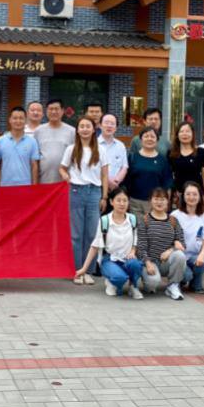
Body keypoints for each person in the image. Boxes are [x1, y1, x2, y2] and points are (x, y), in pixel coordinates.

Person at [74, 188, 143, 298]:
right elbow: (95, 246)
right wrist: (84, 269)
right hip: (110, 259)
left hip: (128, 258)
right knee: (119, 278)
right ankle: (113, 282)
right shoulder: (105, 220)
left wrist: (133, 250)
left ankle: (133, 286)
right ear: (111, 202)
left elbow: (136, 237)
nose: (122, 204)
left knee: (136, 265)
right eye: (118, 200)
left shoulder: (132, 219)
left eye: (125, 200)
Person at [60, 116, 108, 276]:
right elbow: (62, 167)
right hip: (76, 192)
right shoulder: (71, 149)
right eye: (82, 126)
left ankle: (88, 271)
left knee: (92, 233)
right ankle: (76, 270)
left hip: (94, 192)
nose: (85, 129)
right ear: (77, 130)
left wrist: (104, 197)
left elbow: (104, 175)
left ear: (94, 130)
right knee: (76, 234)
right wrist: (65, 175)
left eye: (88, 126)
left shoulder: (101, 150)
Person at [138, 187, 186, 299]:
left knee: (179, 255)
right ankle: (148, 282)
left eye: (162, 199)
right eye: (156, 199)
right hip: (150, 262)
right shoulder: (144, 220)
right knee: (152, 284)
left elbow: (182, 243)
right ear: (150, 201)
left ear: (167, 201)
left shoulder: (173, 220)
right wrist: (148, 263)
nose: (159, 202)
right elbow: (141, 246)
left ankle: (173, 286)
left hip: (166, 262)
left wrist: (171, 250)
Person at [124, 127, 173, 223]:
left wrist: (166, 202)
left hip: (156, 203)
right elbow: (126, 181)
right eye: (146, 136)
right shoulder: (133, 157)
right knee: (137, 229)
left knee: (155, 229)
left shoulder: (162, 160)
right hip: (135, 203)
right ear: (141, 139)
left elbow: (167, 183)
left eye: (152, 136)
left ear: (157, 140)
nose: (149, 139)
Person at [171, 181, 204, 294]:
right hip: (179, 257)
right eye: (188, 194)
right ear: (183, 196)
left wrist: (202, 255)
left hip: (194, 256)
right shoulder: (175, 215)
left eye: (195, 194)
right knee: (187, 275)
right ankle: (180, 280)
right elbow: (169, 238)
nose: (191, 197)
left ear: (200, 196)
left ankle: (195, 284)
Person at [170, 122, 204, 210]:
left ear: (193, 134)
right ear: (177, 135)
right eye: (181, 131)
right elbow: (170, 175)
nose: (185, 134)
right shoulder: (171, 153)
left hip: (197, 194)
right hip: (179, 195)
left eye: (187, 131)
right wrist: (174, 193)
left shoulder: (201, 152)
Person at [0, 106, 40, 186]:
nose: (18, 121)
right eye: (15, 118)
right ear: (10, 120)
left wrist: (34, 187)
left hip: (25, 186)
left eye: (21, 118)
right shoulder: (1, 141)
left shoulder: (32, 142)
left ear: (25, 120)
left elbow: (34, 166)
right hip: (5, 186)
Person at [34, 99, 75, 185]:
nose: (53, 112)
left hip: (65, 181)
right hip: (43, 180)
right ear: (46, 111)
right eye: (51, 109)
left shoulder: (72, 131)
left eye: (56, 109)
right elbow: (35, 158)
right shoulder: (38, 131)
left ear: (62, 111)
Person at [98, 114, 128, 199]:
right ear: (100, 125)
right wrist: (108, 182)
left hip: (116, 188)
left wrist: (116, 181)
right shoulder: (94, 145)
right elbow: (93, 168)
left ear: (116, 128)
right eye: (106, 123)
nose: (109, 126)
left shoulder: (120, 145)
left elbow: (124, 167)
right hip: (98, 187)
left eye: (112, 123)